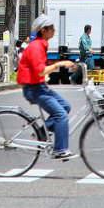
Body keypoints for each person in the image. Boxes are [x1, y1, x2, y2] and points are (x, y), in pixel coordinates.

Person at [17, 14, 78, 160]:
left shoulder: (41, 44)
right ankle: (60, 149)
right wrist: (60, 64)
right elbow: (41, 70)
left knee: (66, 107)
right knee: (61, 115)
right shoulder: (35, 47)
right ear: (43, 30)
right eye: (51, 28)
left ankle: (42, 132)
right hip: (34, 89)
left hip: (40, 87)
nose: (54, 31)